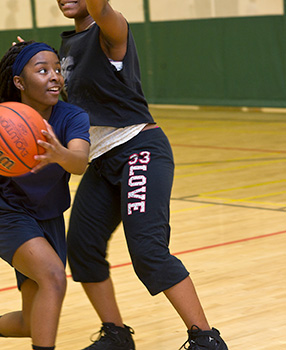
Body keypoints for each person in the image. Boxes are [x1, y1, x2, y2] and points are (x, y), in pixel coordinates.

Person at [55, 1, 229, 349]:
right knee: (82, 249)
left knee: (148, 251)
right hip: (101, 159)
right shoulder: (67, 46)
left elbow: (102, 10)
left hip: (139, 148)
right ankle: (116, 335)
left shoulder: (110, 29)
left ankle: (206, 340)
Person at [0, 41, 90, 350]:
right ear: (19, 83)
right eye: (42, 70)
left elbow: (79, 163)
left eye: (56, 69)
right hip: (7, 213)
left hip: (49, 217)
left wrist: (59, 153)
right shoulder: (1, 117)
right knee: (54, 277)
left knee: (30, 321)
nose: (53, 76)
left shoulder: (72, 117)